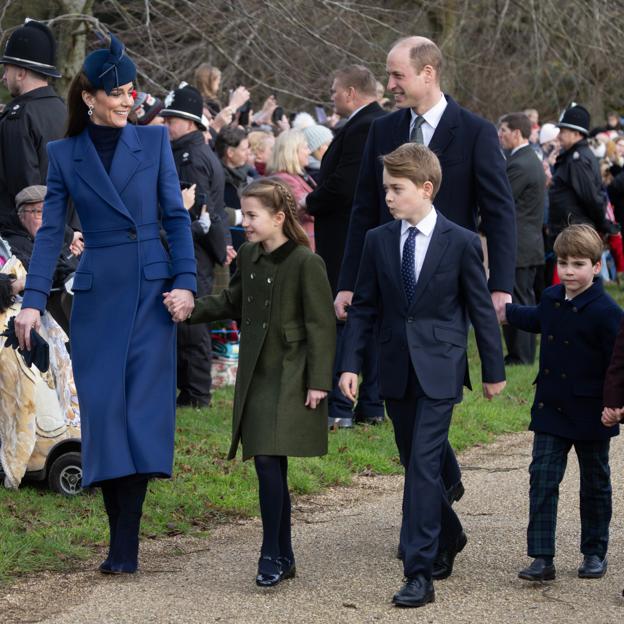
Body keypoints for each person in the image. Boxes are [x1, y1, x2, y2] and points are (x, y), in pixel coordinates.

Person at [13, 34, 197, 575]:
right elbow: (49, 235)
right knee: (105, 415)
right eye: (115, 92)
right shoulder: (64, 154)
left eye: (131, 90)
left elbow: (176, 219)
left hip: (151, 294)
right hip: (97, 299)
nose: (126, 99)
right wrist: (29, 303)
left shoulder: (156, 141)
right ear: (88, 96)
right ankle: (119, 536)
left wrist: (186, 281)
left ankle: (126, 543)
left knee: (141, 414)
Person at [336, 36, 515, 569]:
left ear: (428, 73)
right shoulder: (383, 131)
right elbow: (364, 208)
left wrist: (499, 283)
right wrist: (349, 280)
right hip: (391, 283)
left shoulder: (477, 132)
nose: (388, 85)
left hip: (449, 290)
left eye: (396, 76)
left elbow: (499, 212)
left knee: (430, 401)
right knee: (412, 420)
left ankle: (423, 530)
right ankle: (441, 495)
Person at [338, 143, 505, 607]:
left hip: (441, 367)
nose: (388, 196)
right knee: (414, 460)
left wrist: (493, 369)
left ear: (426, 189)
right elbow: (365, 307)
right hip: (395, 368)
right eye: (385, 188)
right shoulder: (378, 240)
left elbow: (479, 309)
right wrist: (350, 364)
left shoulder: (461, 241)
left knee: (424, 467)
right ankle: (450, 532)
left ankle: (418, 571)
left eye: (397, 188)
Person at [171, 177, 335, 587]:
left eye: (251, 215)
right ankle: (283, 553)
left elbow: (321, 326)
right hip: (257, 374)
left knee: (268, 461)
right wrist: (188, 308)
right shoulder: (248, 254)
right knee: (266, 462)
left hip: (293, 373)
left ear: (279, 217)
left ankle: (272, 553)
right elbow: (232, 300)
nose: (245, 223)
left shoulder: (305, 262)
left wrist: (319, 381)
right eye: (243, 214)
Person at [504, 225, 622, 582]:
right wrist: (505, 310)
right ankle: (542, 556)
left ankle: (594, 551)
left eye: (579, 264)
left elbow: (619, 362)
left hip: (592, 411)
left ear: (596, 266)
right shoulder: (553, 297)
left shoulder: (607, 311)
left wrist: (614, 403)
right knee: (542, 477)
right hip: (551, 407)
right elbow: (536, 319)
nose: (570, 271)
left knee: (595, 482)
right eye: (564, 263)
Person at [306, 64, 386, 428]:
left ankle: (344, 405)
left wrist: (310, 202)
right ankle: (369, 404)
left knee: (347, 316)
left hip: (346, 239)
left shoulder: (365, 126)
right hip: (350, 236)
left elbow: (344, 184)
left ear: (352, 92)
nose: (332, 96)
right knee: (364, 317)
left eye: (336, 90)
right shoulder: (366, 124)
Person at [161, 83, 229, 408]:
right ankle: (191, 390)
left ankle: (196, 393)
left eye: (171, 118)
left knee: (192, 326)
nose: (166, 123)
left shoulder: (189, 158)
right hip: (199, 243)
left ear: (189, 122)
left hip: (194, 244)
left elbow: (200, 208)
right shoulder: (195, 150)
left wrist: (218, 245)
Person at [0, 20, 68, 230]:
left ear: (20, 73)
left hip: (23, 239)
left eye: (7, 69)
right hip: (65, 234)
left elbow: (26, 193)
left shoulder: (19, 117)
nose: (3, 77)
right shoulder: (63, 111)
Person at [497, 113, 546, 365]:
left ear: (517, 133)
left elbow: (501, 201)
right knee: (521, 297)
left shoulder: (519, 163)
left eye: (504, 130)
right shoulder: (527, 159)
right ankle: (520, 353)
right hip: (528, 243)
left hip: (520, 245)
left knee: (519, 299)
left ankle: (521, 355)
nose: (500, 134)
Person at [0, 185, 82, 333]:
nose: (46, 219)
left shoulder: (60, 237)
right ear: (21, 215)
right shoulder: (11, 244)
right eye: (38, 212)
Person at [549, 104, 609, 237]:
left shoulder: (578, 160)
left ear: (576, 134)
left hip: (574, 235)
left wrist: (600, 225)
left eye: (563, 131)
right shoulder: (572, 156)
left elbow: (591, 199)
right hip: (569, 232)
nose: (558, 136)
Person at [266, 129, 316, 250]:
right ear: (292, 152)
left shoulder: (300, 175)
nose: (309, 152)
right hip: (300, 243)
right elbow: (303, 208)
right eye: (305, 147)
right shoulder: (284, 179)